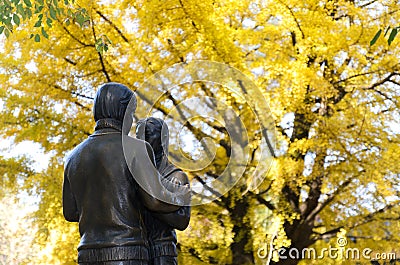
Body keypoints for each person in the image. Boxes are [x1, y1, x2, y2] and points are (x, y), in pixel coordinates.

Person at [63, 83, 187, 265]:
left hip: (87, 254)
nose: (131, 119)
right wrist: (179, 197)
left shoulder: (72, 157)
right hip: (127, 252)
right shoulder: (136, 148)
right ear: (122, 111)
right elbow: (154, 200)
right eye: (131, 112)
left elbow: (71, 212)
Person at [136, 117, 191, 265]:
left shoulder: (176, 176)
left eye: (147, 135)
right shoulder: (133, 173)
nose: (141, 140)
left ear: (162, 138)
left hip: (163, 251)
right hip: (134, 249)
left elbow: (182, 221)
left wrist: (149, 202)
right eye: (138, 135)